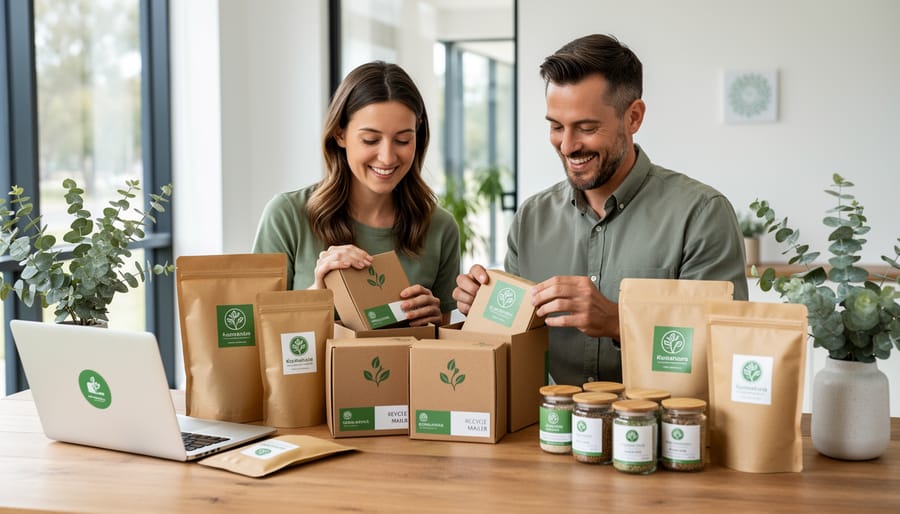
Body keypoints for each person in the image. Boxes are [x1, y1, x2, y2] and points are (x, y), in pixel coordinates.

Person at [453, 34, 749, 385]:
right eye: (555, 126)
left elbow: (722, 349)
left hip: (662, 431)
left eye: (586, 128)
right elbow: (514, 346)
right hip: (546, 432)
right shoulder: (531, 219)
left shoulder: (701, 215)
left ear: (634, 117)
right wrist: (483, 310)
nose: (567, 146)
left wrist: (617, 321)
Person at [253, 61, 460, 326]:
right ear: (340, 134)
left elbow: (441, 345)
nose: (387, 157)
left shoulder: (440, 228)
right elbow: (258, 331)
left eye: (403, 140)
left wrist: (434, 321)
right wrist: (319, 292)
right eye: (370, 140)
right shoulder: (286, 216)